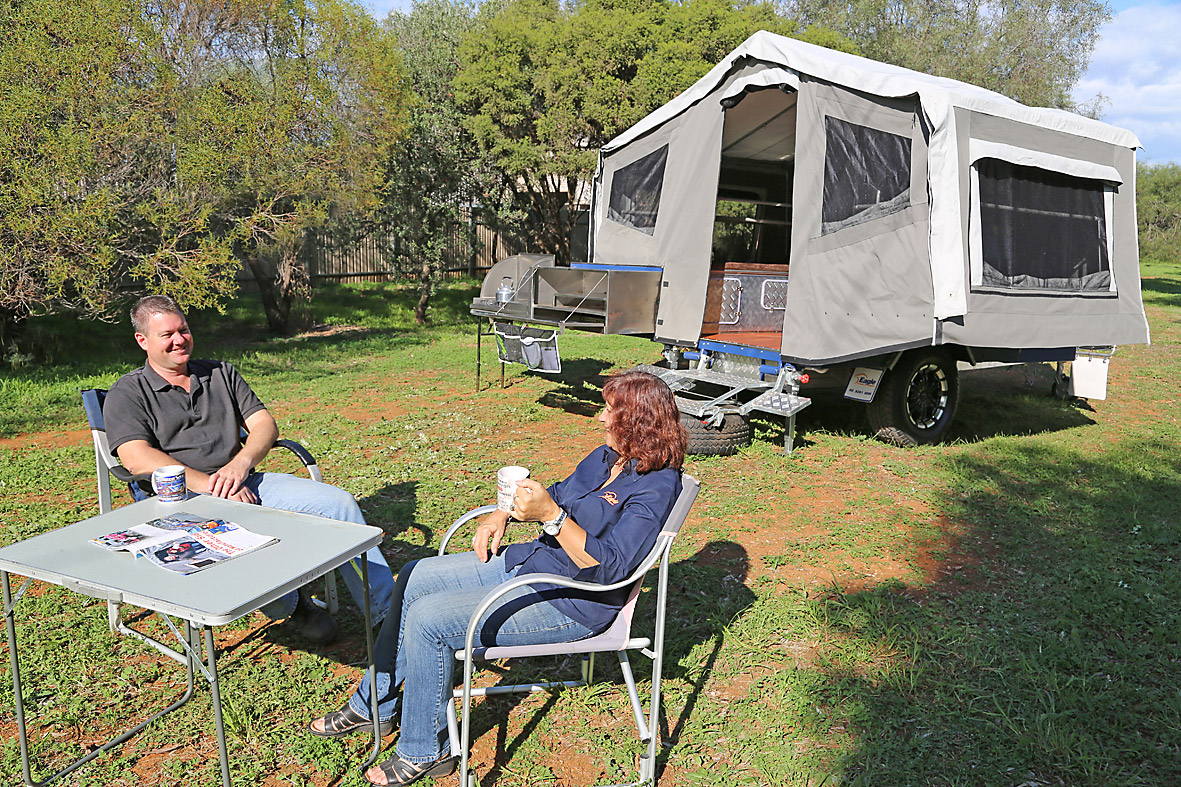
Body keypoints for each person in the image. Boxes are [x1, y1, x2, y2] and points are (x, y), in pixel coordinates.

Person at [307, 369, 688, 786]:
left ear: (638, 423)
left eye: (610, 411)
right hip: (536, 564)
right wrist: (500, 512)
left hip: (575, 601)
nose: (600, 418)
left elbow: (611, 567)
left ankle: (423, 752)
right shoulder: (605, 458)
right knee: (413, 575)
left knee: (429, 620)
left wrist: (553, 518)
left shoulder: (657, 485)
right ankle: (372, 705)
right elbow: (557, 493)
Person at [104, 295, 395, 643]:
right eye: (167, 334)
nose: (179, 340)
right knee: (242, 541)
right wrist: (212, 487)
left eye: (183, 330)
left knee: (339, 504)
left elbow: (265, 426)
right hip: (180, 501)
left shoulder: (219, 373)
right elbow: (135, 456)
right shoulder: (129, 391)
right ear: (143, 341)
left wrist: (240, 465)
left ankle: (386, 615)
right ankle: (293, 605)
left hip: (244, 480)